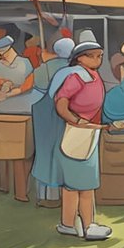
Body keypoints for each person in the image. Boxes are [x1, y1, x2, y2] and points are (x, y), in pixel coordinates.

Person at [42, 40, 113, 241]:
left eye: (100, 55)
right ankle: (84, 225)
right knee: (78, 184)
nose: (98, 59)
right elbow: (61, 104)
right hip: (75, 134)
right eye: (93, 55)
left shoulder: (94, 75)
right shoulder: (76, 77)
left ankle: (73, 223)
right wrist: (77, 121)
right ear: (79, 58)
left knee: (82, 183)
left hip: (89, 132)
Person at [31, 36, 76, 210]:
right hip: (64, 116)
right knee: (63, 153)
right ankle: (61, 195)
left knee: (43, 153)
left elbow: (35, 96)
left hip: (43, 117)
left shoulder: (42, 69)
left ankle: (43, 196)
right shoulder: (73, 70)